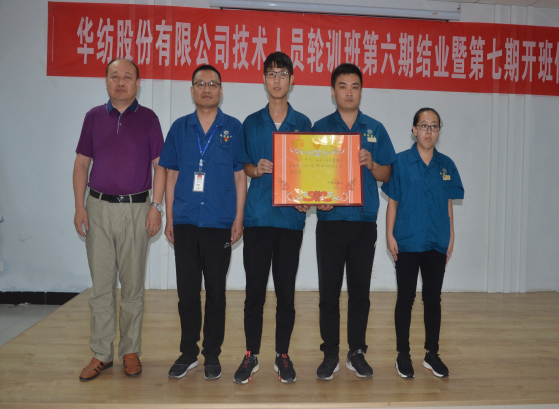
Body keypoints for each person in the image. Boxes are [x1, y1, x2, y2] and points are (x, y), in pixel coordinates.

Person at [73, 59, 165, 381]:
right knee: (101, 287)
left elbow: (160, 166)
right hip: (97, 209)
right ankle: (101, 353)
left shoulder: (149, 119)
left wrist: (156, 207)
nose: (121, 82)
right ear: (106, 81)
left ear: (138, 83)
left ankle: (130, 351)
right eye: (115, 76)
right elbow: (81, 164)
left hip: (137, 210)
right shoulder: (93, 117)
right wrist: (79, 206)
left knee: (132, 286)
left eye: (127, 77)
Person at [159, 64, 246, 380]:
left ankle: (212, 354)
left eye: (212, 84)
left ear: (221, 90)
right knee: (187, 293)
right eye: (200, 83)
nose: (206, 89)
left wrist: (238, 217)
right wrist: (170, 216)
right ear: (192, 90)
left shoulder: (233, 128)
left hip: (219, 221)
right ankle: (188, 352)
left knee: (216, 294)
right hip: (185, 220)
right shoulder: (179, 128)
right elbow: (171, 174)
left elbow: (240, 176)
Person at [312, 63, 396, 380]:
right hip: (331, 220)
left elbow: (387, 174)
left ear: (361, 90)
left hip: (363, 222)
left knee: (360, 291)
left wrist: (372, 163)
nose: (349, 92)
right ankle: (330, 353)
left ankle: (356, 352)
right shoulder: (320, 128)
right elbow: (308, 175)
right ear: (333, 91)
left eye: (355, 86)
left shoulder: (375, 129)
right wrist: (318, 198)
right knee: (329, 291)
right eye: (343, 86)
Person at [233, 52, 311, 384]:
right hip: (258, 217)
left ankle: (282, 355)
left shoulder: (304, 123)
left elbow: (311, 173)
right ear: (263, 79)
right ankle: (251, 354)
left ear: (292, 80)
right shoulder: (251, 123)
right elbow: (244, 167)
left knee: (286, 293)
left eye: (282, 74)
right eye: (271, 74)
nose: (277, 80)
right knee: (254, 292)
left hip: (290, 222)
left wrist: (307, 199)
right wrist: (257, 169)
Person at [381, 108, 464, 379]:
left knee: (433, 299)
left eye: (434, 126)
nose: (429, 131)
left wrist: (451, 234)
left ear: (439, 131)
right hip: (407, 240)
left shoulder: (446, 165)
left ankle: (432, 353)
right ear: (414, 130)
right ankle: (402, 354)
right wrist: (389, 235)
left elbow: (448, 203)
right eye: (424, 125)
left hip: (436, 241)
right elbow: (393, 203)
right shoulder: (400, 162)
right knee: (405, 298)